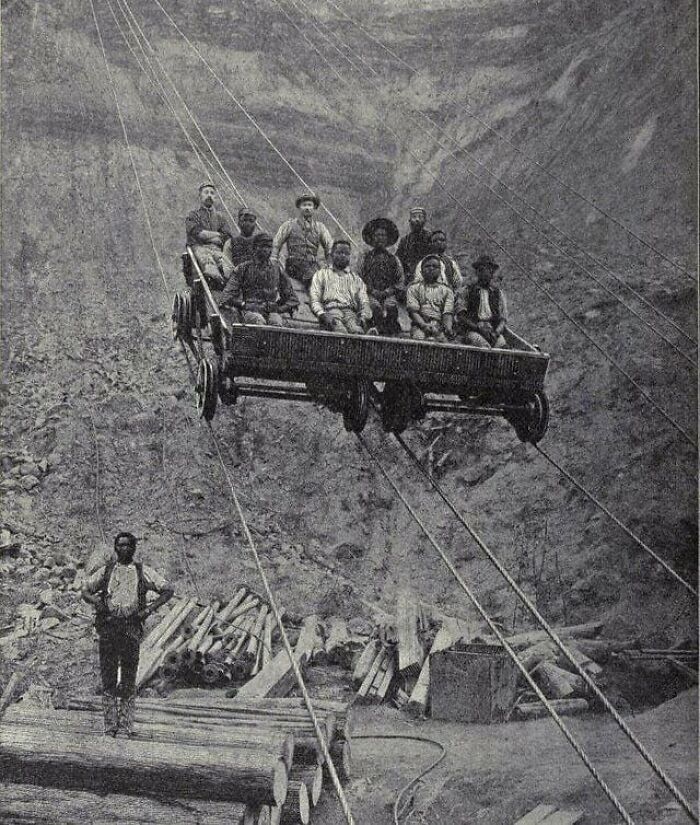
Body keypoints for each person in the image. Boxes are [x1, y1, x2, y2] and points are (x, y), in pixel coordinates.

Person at [82, 532, 174, 737]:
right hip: (108, 628)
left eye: (128, 545)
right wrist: (96, 601)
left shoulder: (143, 571)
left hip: (131, 629)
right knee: (108, 677)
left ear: (134, 548)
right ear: (115, 549)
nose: (124, 549)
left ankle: (125, 726)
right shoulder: (106, 572)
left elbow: (167, 590)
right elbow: (85, 590)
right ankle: (109, 726)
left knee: (129, 677)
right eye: (120, 545)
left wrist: (148, 610)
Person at [219, 232, 299, 326]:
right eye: (262, 246)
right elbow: (226, 297)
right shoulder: (243, 268)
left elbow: (292, 299)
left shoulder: (277, 270)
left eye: (269, 247)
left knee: (276, 322)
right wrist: (245, 305)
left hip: (270, 312)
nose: (266, 250)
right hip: (249, 311)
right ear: (254, 248)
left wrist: (278, 308)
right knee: (258, 321)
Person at [309, 239, 372, 334]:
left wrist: (363, 316)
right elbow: (315, 299)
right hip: (331, 311)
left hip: (350, 313)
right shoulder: (321, 274)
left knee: (357, 331)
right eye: (339, 252)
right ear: (332, 255)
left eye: (346, 254)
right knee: (340, 332)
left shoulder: (356, 279)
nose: (343, 256)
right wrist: (322, 314)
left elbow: (364, 301)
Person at [271, 193, 333, 288]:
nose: (307, 208)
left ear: (314, 208)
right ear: (299, 207)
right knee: (315, 279)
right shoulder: (289, 225)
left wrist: (330, 264)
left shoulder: (320, 227)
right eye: (304, 205)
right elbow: (276, 243)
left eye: (309, 205)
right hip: (294, 264)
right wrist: (274, 260)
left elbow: (329, 246)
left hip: (313, 265)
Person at [357, 217, 405, 335]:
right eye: (377, 235)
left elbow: (400, 280)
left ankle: (391, 331)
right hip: (370, 293)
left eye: (383, 235)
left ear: (387, 238)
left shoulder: (394, 259)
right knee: (375, 307)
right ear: (372, 238)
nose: (380, 238)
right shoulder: (364, 258)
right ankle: (374, 329)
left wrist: (388, 291)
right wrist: (371, 290)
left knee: (391, 307)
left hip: (389, 294)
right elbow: (358, 278)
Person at [185, 183, 234, 288]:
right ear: (200, 196)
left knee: (229, 268)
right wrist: (217, 235)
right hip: (199, 248)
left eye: (212, 193)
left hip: (217, 250)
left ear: (215, 197)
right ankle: (214, 282)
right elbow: (198, 233)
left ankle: (226, 289)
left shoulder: (220, 217)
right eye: (206, 192)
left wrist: (208, 236)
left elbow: (227, 237)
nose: (209, 195)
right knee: (209, 266)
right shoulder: (193, 215)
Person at [455, 254, 508, 348]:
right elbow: (461, 316)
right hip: (472, 330)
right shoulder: (466, 291)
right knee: (484, 347)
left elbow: (502, 319)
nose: (490, 273)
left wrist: (496, 333)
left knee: (503, 347)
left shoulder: (497, 293)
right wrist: (478, 328)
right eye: (486, 269)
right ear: (478, 271)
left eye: (492, 270)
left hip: (492, 331)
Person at [405, 255, 454, 341]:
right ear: (421, 270)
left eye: (435, 266)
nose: (431, 268)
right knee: (419, 339)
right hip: (420, 326)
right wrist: (424, 325)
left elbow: (447, 313)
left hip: (439, 327)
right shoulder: (414, 288)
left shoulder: (447, 291)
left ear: (440, 271)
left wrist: (448, 328)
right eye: (427, 266)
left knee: (443, 343)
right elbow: (413, 312)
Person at [396, 207, 432, 279]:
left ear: (424, 220)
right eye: (414, 217)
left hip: (428, 274)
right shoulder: (405, 241)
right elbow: (398, 259)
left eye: (420, 217)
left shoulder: (431, 237)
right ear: (410, 220)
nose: (417, 220)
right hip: (409, 276)